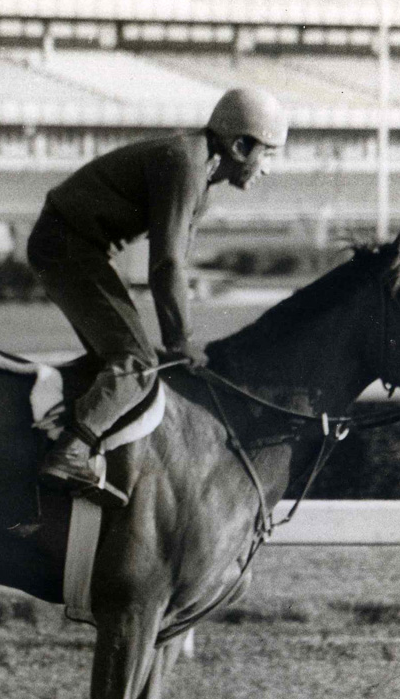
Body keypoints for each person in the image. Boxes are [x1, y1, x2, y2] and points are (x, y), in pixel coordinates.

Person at [26, 87, 287, 507]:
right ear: (240, 146)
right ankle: (70, 451)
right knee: (136, 363)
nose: (269, 169)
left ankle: (80, 441)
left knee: (124, 359)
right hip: (65, 247)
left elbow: (175, 261)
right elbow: (166, 264)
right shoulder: (185, 163)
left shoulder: (199, 173)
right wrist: (180, 342)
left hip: (74, 246)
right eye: (269, 154)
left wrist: (179, 338)